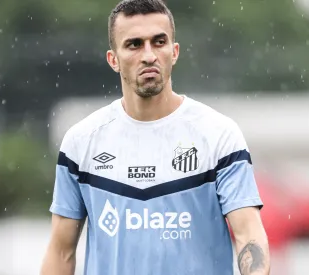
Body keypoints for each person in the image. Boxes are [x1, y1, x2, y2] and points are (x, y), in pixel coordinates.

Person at [40, 0, 270, 274]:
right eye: (134, 44)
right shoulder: (81, 142)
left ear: (174, 52)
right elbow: (61, 252)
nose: (149, 55)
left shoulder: (219, 136)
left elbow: (249, 236)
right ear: (113, 59)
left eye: (158, 42)